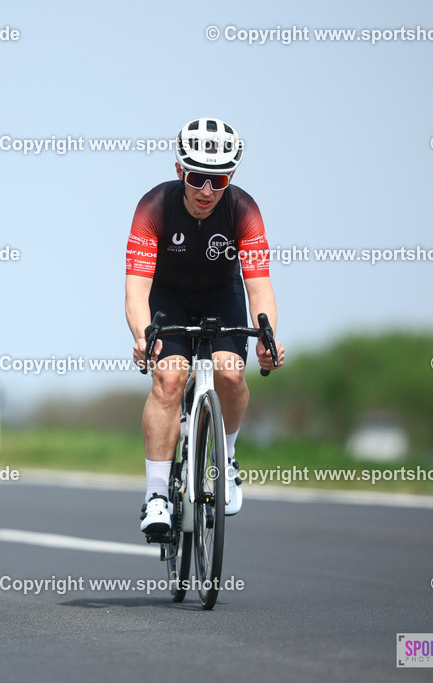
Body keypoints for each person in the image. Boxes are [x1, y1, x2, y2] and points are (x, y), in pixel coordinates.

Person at [125, 117, 285, 538]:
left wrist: (267, 337)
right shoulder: (153, 207)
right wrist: (143, 335)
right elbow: (137, 290)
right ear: (180, 171)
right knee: (169, 376)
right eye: (197, 178)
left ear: (231, 177)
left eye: (219, 180)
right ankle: (158, 496)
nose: (207, 191)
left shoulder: (244, 210)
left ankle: (226, 460)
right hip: (168, 297)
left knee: (231, 372)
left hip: (221, 296)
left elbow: (259, 287)